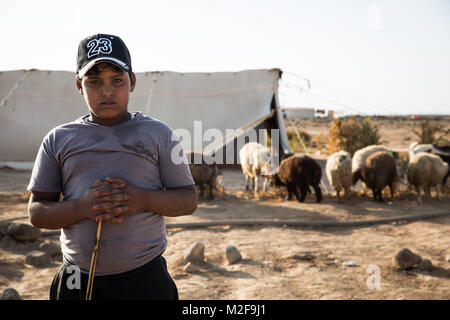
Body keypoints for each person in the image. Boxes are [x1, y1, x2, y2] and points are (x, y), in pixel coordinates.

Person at [27, 33, 198, 300]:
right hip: (76, 277)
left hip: (145, 275)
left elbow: (188, 199)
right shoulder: (58, 139)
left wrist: (140, 199)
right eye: (94, 82)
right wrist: (82, 207)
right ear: (79, 86)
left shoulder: (160, 134)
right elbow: (37, 212)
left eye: (117, 80)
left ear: (131, 82)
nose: (107, 91)